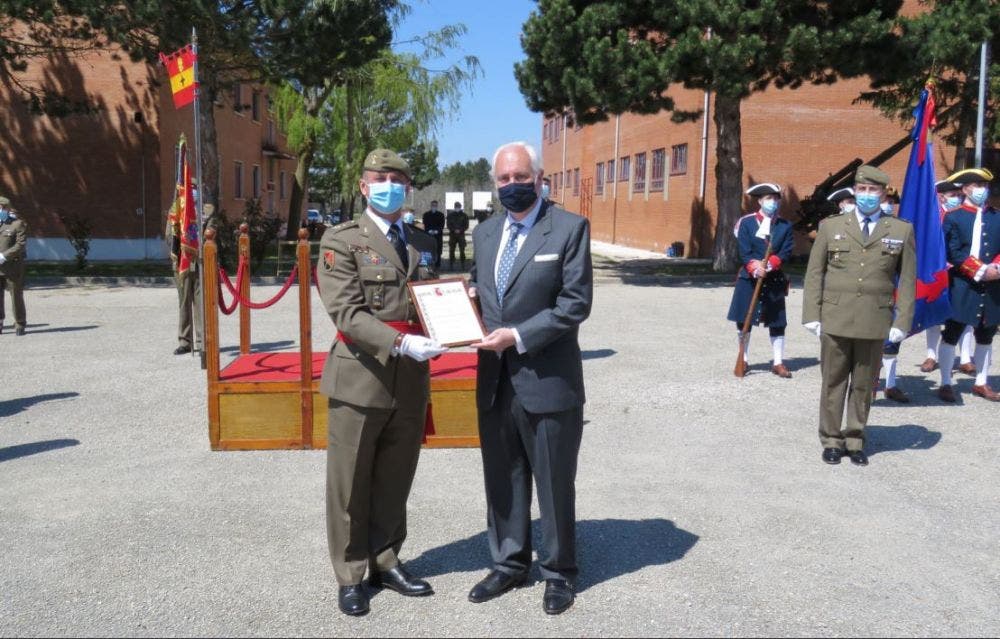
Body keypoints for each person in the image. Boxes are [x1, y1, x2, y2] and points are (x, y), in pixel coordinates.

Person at [316, 148, 444, 616]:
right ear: (364, 185)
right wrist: (401, 343)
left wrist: (458, 309)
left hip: (410, 380)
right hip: (361, 377)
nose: (388, 184)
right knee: (350, 483)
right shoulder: (342, 239)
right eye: (379, 176)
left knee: (395, 477)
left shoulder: (420, 242)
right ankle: (351, 573)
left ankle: (387, 559)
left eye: (397, 178)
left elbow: (430, 299)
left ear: (408, 188)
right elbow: (347, 313)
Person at [466, 141, 593, 615]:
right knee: (502, 476)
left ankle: (559, 572)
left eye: (521, 177)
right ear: (494, 182)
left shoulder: (568, 228)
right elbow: (481, 291)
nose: (512, 185)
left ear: (540, 178)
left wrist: (516, 336)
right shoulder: (484, 233)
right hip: (494, 379)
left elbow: (574, 305)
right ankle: (509, 562)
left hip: (547, 378)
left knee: (554, 480)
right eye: (503, 179)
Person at [802, 165, 916, 466]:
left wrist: (901, 322)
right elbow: (815, 273)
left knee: (864, 385)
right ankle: (831, 439)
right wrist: (812, 314)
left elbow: (906, 280)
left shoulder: (901, 229)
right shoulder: (831, 226)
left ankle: (855, 439)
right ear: (855, 191)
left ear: (883, 194)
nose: (867, 196)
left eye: (873, 191)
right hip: (835, 318)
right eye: (862, 190)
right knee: (833, 382)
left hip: (874, 320)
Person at [935, 167, 1000, 402]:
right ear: (965, 189)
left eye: (984, 186)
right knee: (952, 333)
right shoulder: (954, 216)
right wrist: (980, 270)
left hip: (993, 285)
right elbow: (952, 251)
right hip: (962, 284)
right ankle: (945, 382)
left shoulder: (997, 216)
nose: (982, 190)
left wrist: (996, 269)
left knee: (986, 335)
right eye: (976, 186)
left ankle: (981, 382)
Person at [727, 182, 794, 377]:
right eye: (768, 199)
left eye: (775, 198)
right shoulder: (746, 223)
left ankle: (778, 362)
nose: (772, 202)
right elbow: (743, 250)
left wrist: (771, 264)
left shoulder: (784, 225)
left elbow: (786, 250)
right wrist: (754, 267)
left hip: (773, 278)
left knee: (777, 321)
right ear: (760, 201)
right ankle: (744, 358)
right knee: (743, 319)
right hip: (749, 278)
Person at [921, 179, 975, 375]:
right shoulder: (933, 217)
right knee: (935, 316)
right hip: (938, 272)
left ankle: (966, 357)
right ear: (942, 196)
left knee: (964, 313)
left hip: (961, 271)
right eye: (953, 196)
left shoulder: (964, 216)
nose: (958, 199)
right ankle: (931, 355)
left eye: (960, 195)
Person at [168, 181, 203, 356]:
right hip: (182, 261)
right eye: (189, 190)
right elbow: (170, 234)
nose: (192, 193)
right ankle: (185, 341)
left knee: (200, 302)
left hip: (200, 262)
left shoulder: (206, 211)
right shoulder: (176, 210)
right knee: (184, 302)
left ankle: (202, 341)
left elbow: (211, 235)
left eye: (194, 190)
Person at [0, 195, 28, 336]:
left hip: (12, 267)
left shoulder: (17, 224)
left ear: (4, 208)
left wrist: (4, 256)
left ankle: (20, 323)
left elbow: (20, 245)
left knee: (16, 295)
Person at [446, 200, 470, 270]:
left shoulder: (464, 215)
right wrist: (454, 230)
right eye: (456, 207)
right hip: (452, 235)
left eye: (458, 207)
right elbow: (448, 225)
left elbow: (466, 225)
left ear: (461, 207)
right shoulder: (450, 215)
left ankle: (463, 264)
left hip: (461, 235)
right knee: (451, 250)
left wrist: (460, 230)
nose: (457, 208)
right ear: (454, 207)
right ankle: (451, 265)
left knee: (462, 250)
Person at [421, 199, 445, 268]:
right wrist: (429, 231)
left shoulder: (441, 215)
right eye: (433, 205)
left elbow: (442, 225)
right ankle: (429, 264)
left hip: (438, 235)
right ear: (430, 206)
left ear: (437, 206)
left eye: (435, 205)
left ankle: (438, 265)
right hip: (428, 235)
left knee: (438, 250)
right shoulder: (426, 215)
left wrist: (437, 231)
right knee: (428, 250)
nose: (434, 207)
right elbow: (424, 224)